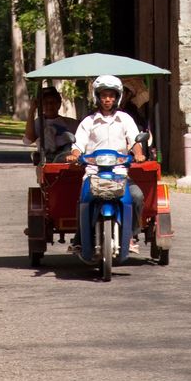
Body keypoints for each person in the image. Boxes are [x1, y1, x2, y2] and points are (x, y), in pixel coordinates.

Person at [72, 73, 145, 262]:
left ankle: (131, 236)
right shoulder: (88, 122)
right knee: (83, 200)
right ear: (97, 97)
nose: (107, 99)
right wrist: (74, 154)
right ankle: (79, 239)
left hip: (120, 173)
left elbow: (134, 140)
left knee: (136, 196)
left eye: (111, 95)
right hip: (93, 172)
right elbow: (78, 145)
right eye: (104, 95)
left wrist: (137, 153)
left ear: (117, 97)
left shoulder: (125, 119)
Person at [24, 84, 77, 162]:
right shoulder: (39, 122)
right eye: (45, 103)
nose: (49, 106)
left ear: (59, 104)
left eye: (52, 102)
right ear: (41, 105)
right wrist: (32, 110)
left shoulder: (70, 123)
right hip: (47, 158)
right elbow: (29, 139)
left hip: (66, 158)